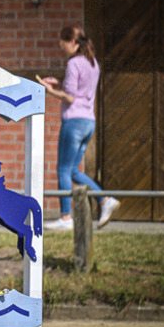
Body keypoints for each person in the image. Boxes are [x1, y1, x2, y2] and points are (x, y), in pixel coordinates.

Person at [37, 26, 120, 231]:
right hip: (88, 122)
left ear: (73, 41)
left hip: (73, 122)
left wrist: (50, 90)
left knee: (63, 170)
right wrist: (60, 83)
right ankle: (106, 200)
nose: (60, 45)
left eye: (62, 41)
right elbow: (80, 91)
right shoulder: (93, 63)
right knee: (73, 170)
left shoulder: (74, 63)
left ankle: (66, 217)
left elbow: (71, 97)